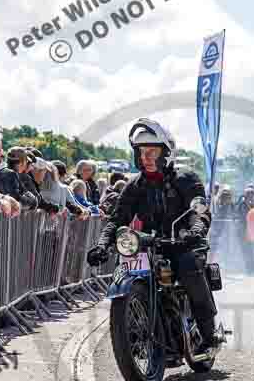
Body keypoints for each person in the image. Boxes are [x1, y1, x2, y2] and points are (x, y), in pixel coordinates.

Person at [86, 118, 219, 354]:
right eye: (141, 151)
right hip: (149, 243)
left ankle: (209, 332)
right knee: (124, 265)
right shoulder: (135, 185)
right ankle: (138, 329)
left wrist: (195, 230)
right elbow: (117, 219)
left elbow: (200, 210)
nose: (146, 157)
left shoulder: (185, 178)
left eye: (152, 151)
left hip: (182, 241)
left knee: (188, 264)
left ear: (166, 152)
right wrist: (102, 245)